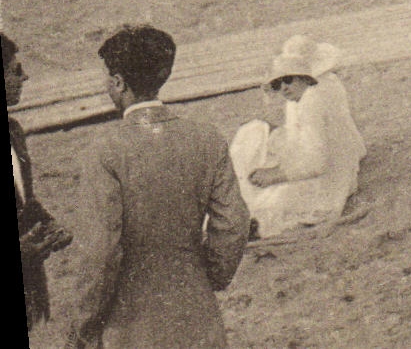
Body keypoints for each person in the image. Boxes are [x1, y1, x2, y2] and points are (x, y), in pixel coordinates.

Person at [62, 25, 249, 349]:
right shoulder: (205, 138)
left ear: (119, 82)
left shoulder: (104, 151)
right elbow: (233, 224)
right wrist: (208, 276)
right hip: (196, 310)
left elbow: (99, 253)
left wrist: (84, 324)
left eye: (108, 78)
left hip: (130, 323)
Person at [229, 36, 365, 239]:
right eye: (278, 83)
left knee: (266, 202)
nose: (283, 88)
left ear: (304, 76)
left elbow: (316, 162)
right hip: (335, 166)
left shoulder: (313, 100)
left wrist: (277, 174)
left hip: (325, 177)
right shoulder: (324, 86)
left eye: (289, 79)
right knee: (256, 133)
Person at [6, 33, 74, 332]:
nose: (25, 77)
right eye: (15, 70)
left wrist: (49, 224)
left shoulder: (14, 131)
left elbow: (24, 199)